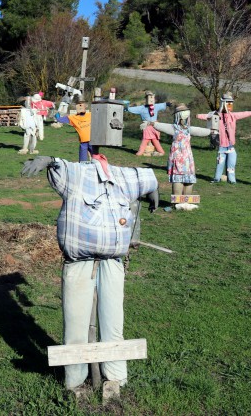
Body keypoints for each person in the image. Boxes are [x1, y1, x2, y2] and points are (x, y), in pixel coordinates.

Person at [22, 154, 158, 394]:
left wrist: (153, 190)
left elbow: (148, 178)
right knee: (75, 323)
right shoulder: (77, 174)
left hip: (113, 261)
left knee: (113, 321)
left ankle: (115, 377)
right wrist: (48, 160)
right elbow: (59, 166)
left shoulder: (124, 177)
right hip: (78, 262)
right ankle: (75, 380)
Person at [150, 104, 210, 210]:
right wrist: (152, 123)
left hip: (185, 159)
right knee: (181, 180)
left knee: (186, 180)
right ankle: (178, 204)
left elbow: (199, 130)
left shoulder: (185, 129)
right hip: (181, 158)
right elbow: (162, 126)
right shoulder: (175, 128)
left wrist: (210, 131)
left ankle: (184, 203)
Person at [197, 93, 251, 184]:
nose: (230, 105)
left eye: (231, 103)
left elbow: (244, 113)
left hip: (230, 146)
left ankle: (232, 180)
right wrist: (197, 115)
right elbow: (206, 116)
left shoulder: (233, 116)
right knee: (220, 164)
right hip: (221, 146)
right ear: (224, 103)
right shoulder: (217, 116)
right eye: (228, 103)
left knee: (231, 164)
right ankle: (216, 179)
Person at [55, 96, 98, 162]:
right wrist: (57, 114)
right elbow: (59, 119)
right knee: (82, 162)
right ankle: (83, 170)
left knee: (96, 159)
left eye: (82, 105)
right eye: (78, 105)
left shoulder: (90, 115)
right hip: (83, 142)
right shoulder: (73, 118)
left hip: (92, 141)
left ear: (85, 106)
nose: (80, 107)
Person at [125, 91, 168, 156]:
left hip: (154, 126)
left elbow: (162, 105)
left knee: (155, 139)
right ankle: (140, 152)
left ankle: (161, 151)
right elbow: (134, 109)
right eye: (149, 98)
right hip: (147, 126)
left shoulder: (155, 106)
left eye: (152, 97)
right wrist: (127, 108)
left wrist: (167, 104)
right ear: (146, 99)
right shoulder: (142, 108)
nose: (151, 99)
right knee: (145, 139)